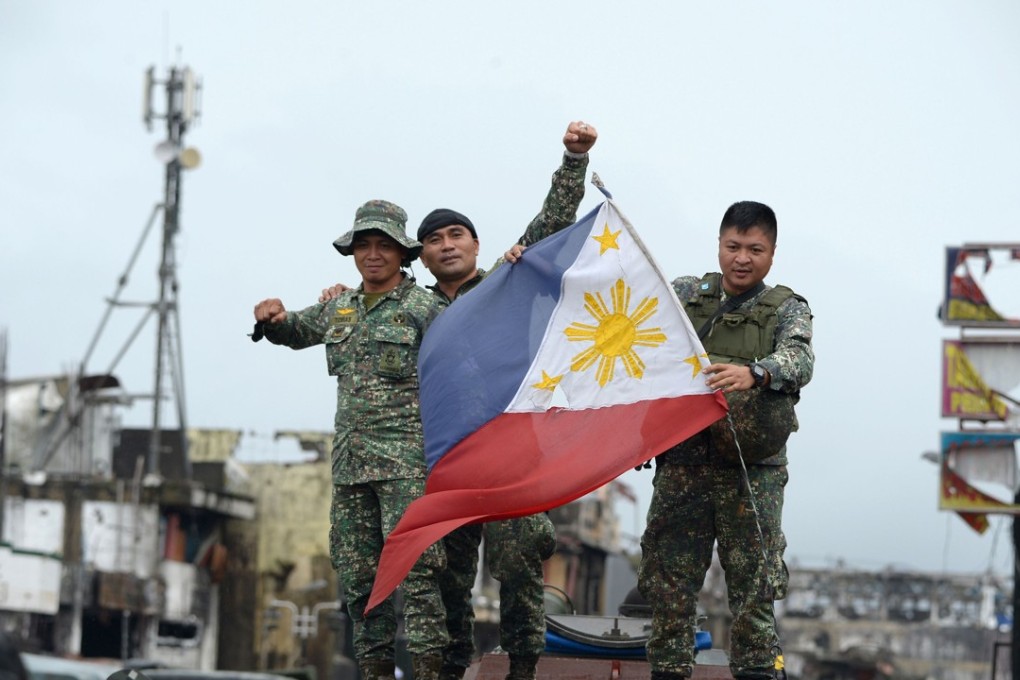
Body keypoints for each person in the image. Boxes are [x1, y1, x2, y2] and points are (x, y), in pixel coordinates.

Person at [320, 121, 598, 680]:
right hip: (444, 460)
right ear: (419, 258)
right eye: (435, 240)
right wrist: (336, 295)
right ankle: (451, 667)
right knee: (446, 574)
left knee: (518, 564)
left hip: (510, 451)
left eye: (457, 236)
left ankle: (523, 667)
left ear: (476, 244)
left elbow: (552, 223)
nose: (447, 245)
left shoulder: (508, 280)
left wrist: (573, 160)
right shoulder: (409, 306)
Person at [252, 200, 448, 680]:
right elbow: (296, 330)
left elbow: (458, 374)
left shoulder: (426, 308)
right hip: (350, 468)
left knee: (421, 576)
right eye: (364, 245)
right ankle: (376, 673)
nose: (373, 254)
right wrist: (272, 319)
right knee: (360, 582)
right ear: (353, 253)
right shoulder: (340, 306)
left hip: (407, 465)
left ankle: (428, 673)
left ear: (403, 253)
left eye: (384, 245)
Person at [637, 201, 814, 680]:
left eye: (754, 249)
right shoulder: (686, 295)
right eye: (733, 246)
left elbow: (800, 360)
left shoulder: (787, 309)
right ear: (719, 245)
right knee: (670, 591)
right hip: (683, 467)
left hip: (751, 475)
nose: (742, 258)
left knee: (754, 596)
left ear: (771, 254)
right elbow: (638, 341)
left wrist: (756, 372)